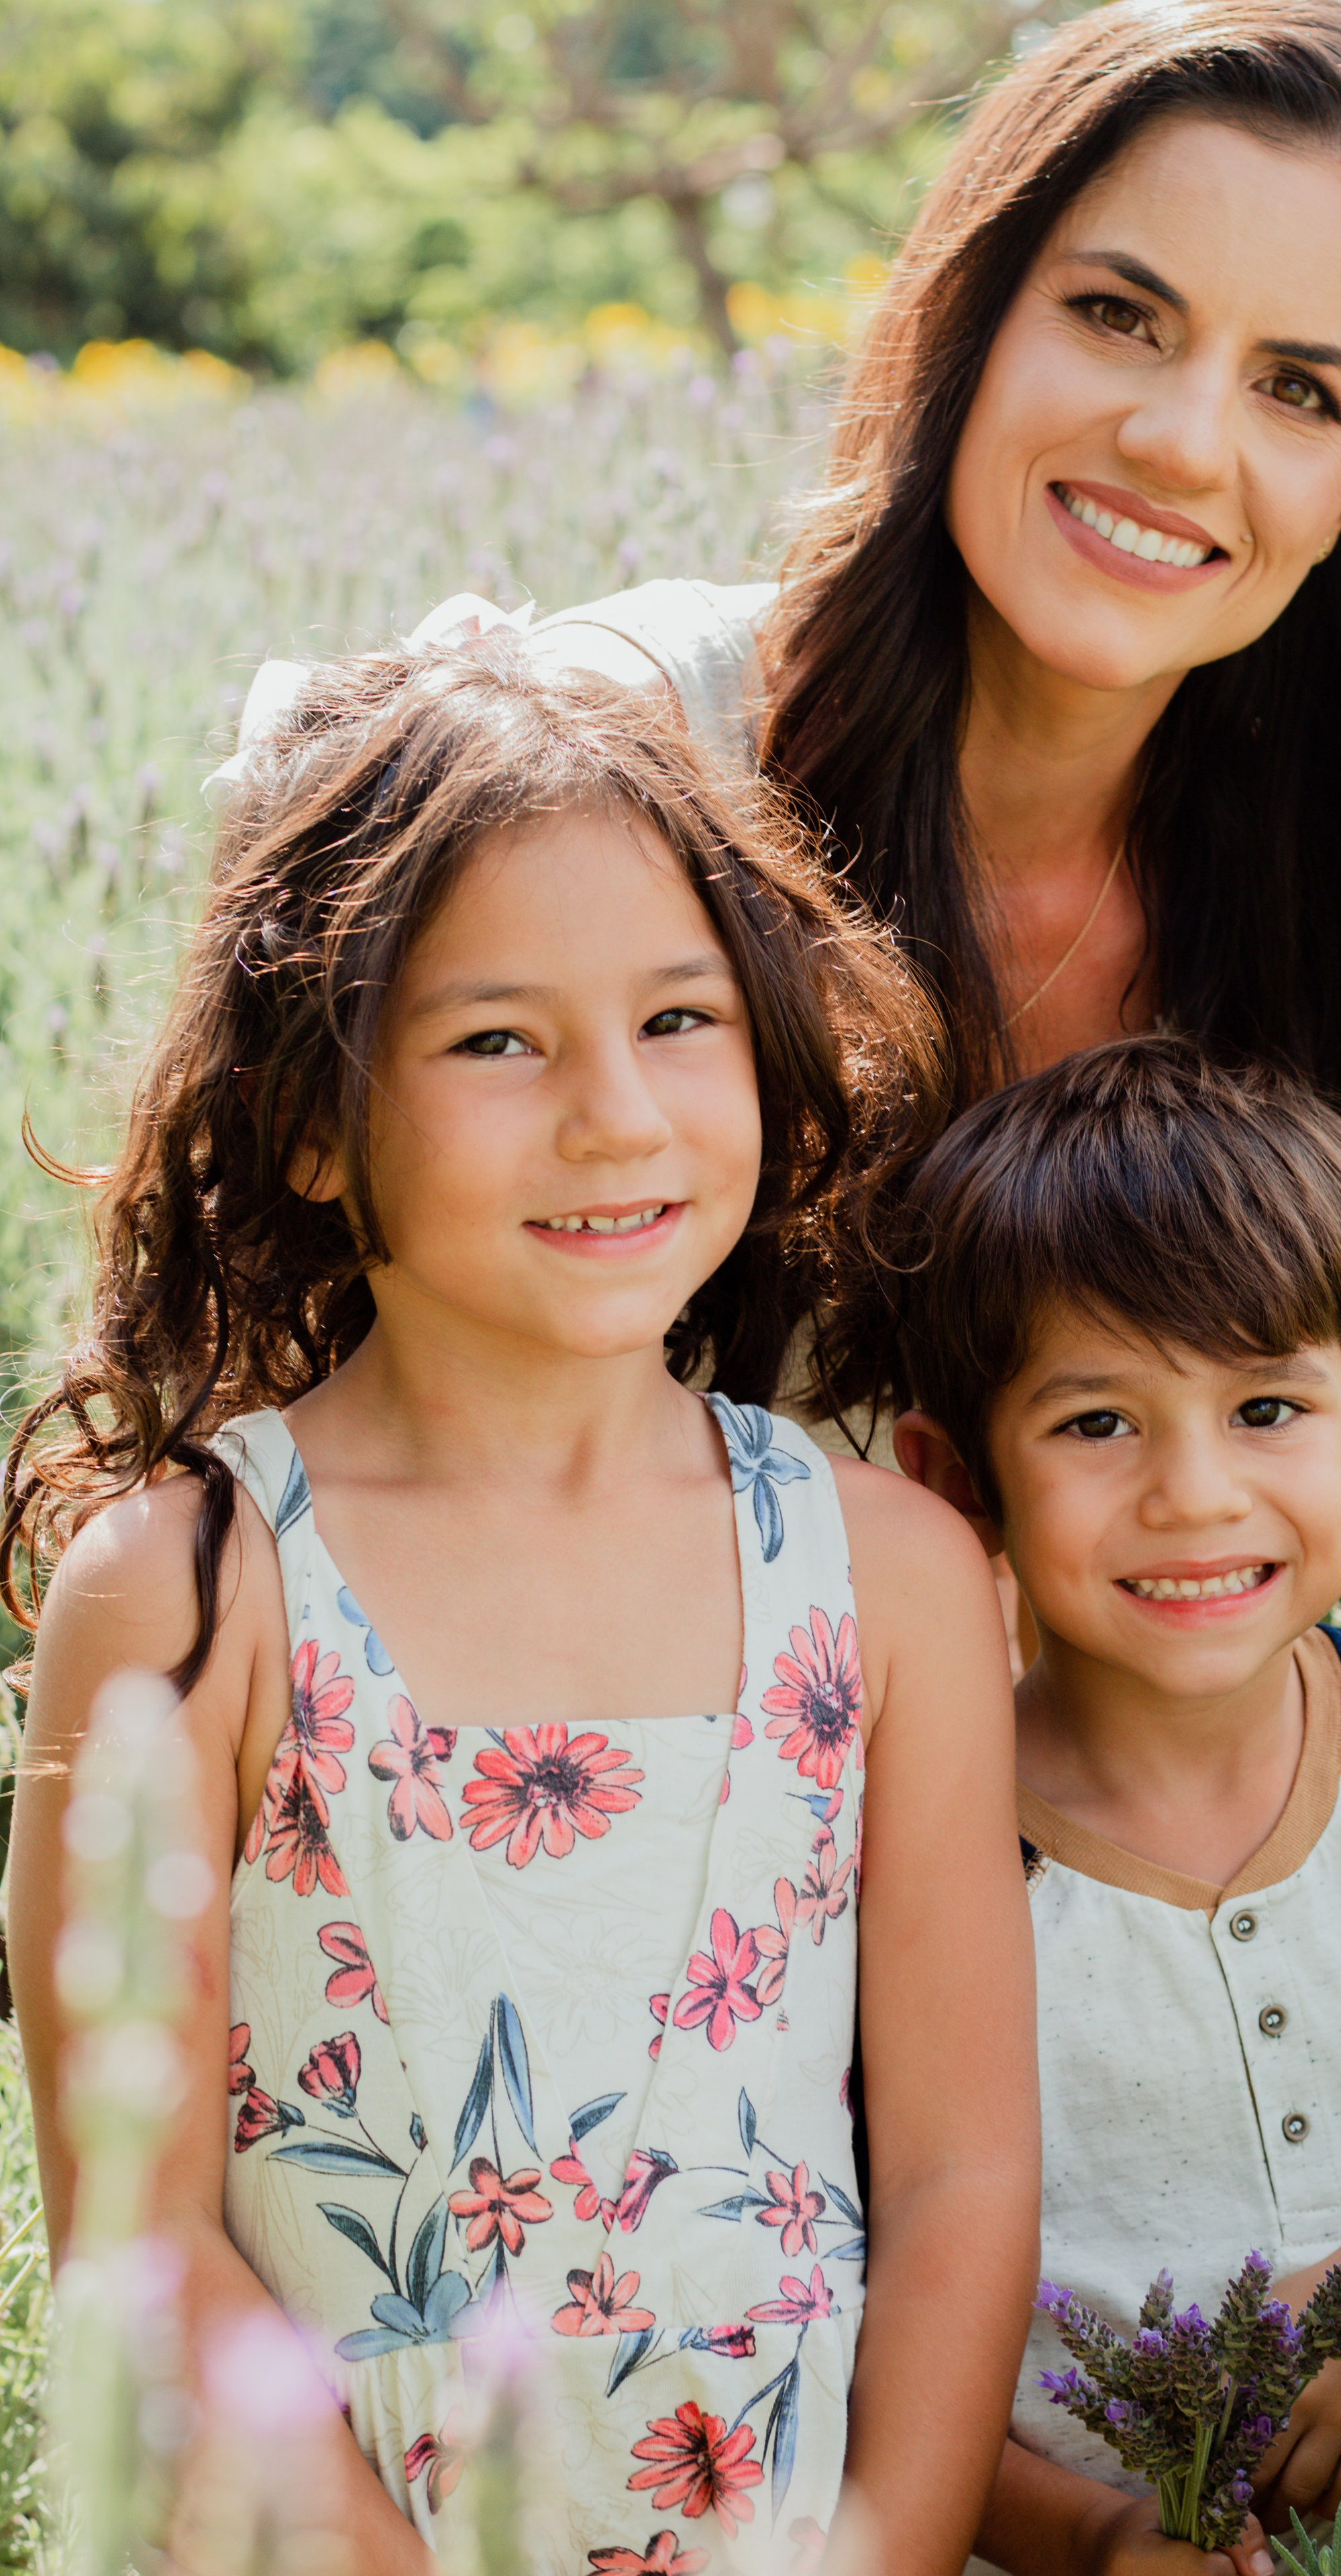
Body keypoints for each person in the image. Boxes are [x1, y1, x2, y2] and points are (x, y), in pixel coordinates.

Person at [3, 631, 1040, 2573]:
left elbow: (965, 2168)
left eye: (680, 1019)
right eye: (498, 1039)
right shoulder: (190, 1600)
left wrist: (884, 2545)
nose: (617, 1115)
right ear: (312, 1117)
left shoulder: (884, 1576)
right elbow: (141, 2237)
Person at [531, 0, 1341, 1517]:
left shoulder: (1316, 893)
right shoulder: (617, 768)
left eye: (1295, 390)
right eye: (1117, 314)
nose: (1180, 440)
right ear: (973, 318)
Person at [886, 1037, 1341, 2575]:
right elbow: (868, 2330)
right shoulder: (917, 1853)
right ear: (955, 1486)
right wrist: (1089, 2539)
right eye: (1096, 1424)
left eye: (1266, 1407)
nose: (1196, 1492)